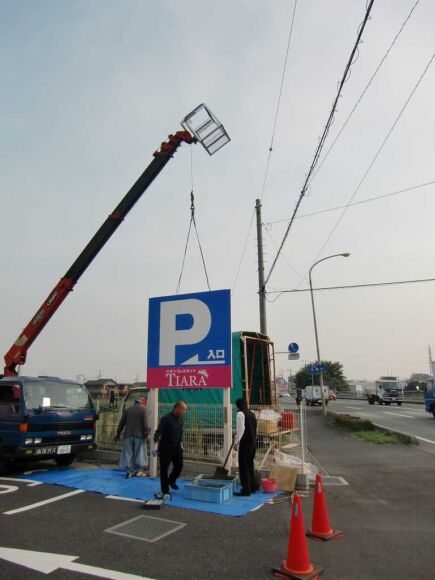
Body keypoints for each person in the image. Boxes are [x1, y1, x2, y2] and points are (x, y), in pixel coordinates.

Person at [153, 400, 187, 500]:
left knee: (179, 466)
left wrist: (181, 444)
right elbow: (159, 432)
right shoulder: (165, 419)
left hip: (176, 447)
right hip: (165, 448)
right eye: (183, 409)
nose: (184, 412)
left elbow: (180, 431)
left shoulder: (180, 419)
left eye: (185, 410)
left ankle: (171, 480)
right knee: (164, 470)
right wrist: (155, 446)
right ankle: (165, 491)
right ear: (176, 408)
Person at [115, 396, 148, 478]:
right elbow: (145, 424)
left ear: (135, 402)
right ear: (141, 402)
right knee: (139, 454)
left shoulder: (128, 410)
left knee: (128, 454)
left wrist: (118, 434)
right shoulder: (143, 410)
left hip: (127, 435)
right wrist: (146, 434)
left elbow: (121, 423)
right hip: (139, 436)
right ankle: (138, 471)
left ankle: (129, 471)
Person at [233, 398, 257, 497]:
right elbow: (255, 428)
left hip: (245, 443)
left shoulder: (240, 414)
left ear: (238, 405)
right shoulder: (252, 414)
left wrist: (236, 442)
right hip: (253, 442)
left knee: (244, 467)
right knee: (250, 465)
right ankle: (252, 487)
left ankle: (246, 490)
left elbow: (241, 429)